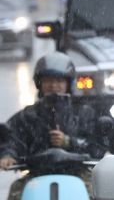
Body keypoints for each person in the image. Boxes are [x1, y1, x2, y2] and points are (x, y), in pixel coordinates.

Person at [0, 52, 107, 199]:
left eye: (59, 81)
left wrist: (69, 142)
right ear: (39, 83)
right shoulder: (27, 115)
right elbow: (11, 138)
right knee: (16, 191)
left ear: (68, 84)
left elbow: (97, 146)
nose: (53, 85)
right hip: (36, 175)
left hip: (79, 174)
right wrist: (7, 155)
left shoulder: (84, 113)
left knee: (100, 192)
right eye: (48, 80)